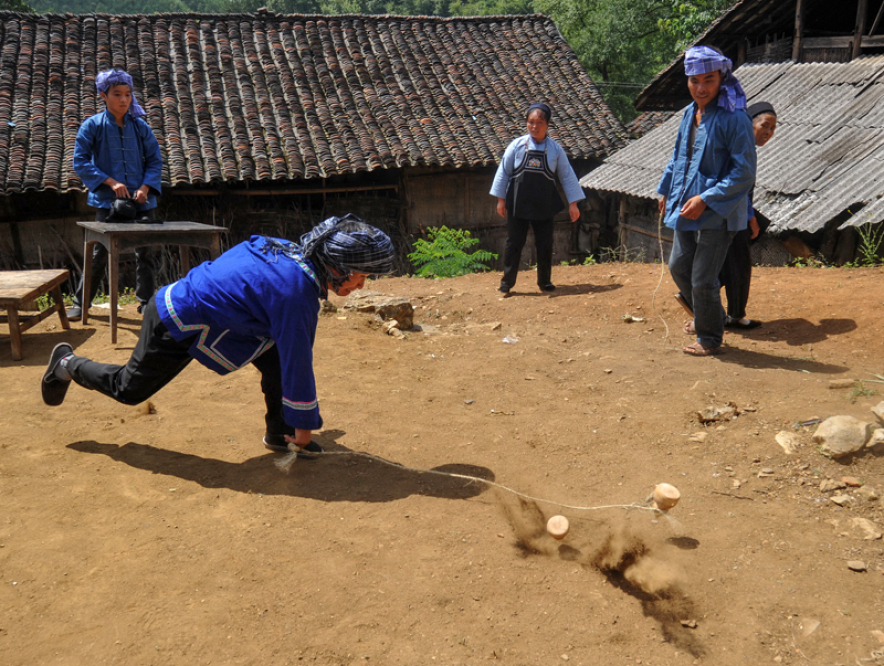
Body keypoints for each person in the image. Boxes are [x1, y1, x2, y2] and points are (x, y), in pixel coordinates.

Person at [42, 215, 395, 458]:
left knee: (273, 356)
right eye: (360, 276)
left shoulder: (289, 251)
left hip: (220, 314)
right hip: (177, 318)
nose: (361, 285)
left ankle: (279, 432)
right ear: (334, 266)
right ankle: (67, 363)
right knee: (129, 389)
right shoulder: (296, 293)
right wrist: (307, 428)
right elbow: (299, 362)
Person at [657, 46, 756, 356]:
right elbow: (678, 159)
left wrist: (706, 198)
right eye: (694, 80)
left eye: (708, 80)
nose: (700, 88)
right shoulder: (689, 114)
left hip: (719, 211)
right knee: (679, 267)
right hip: (685, 203)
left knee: (702, 277)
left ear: (722, 78)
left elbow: (744, 173)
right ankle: (709, 314)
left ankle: (710, 337)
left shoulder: (734, 118)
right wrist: (665, 190)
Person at [67, 69, 164, 320]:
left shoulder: (140, 127)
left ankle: (145, 302)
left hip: (142, 200)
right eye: (117, 94)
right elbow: (80, 162)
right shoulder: (92, 126)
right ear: (104, 96)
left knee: (146, 252)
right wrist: (110, 182)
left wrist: (145, 188)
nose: (124, 100)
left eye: (128, 94)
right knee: (99, 252)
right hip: (107, 201)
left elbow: (154, 160)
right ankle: (81, 303)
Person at [490, 102, 584, 295]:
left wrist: (573, 204)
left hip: (544, 205)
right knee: (514, 243)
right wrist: (501, 199)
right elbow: (504, 172)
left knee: (545, 243)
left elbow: (567, 176)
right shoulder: (516, 146)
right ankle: (507, 282)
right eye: (530, 122)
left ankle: (545, 282)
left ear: (547, 125)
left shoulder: (556, 150)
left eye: (539, 122)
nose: (534, 126)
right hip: (518, 204)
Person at [719, 101, 777, 330]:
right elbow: (736, 187)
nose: (769, 132)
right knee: (739, 265)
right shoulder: (741, 149)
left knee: (731, 263)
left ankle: (729, 311)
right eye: (765, 125)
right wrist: (750, 217)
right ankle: (726, 312)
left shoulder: (742, 146)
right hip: (732, 215)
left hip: (732, 213)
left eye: (773, 129)